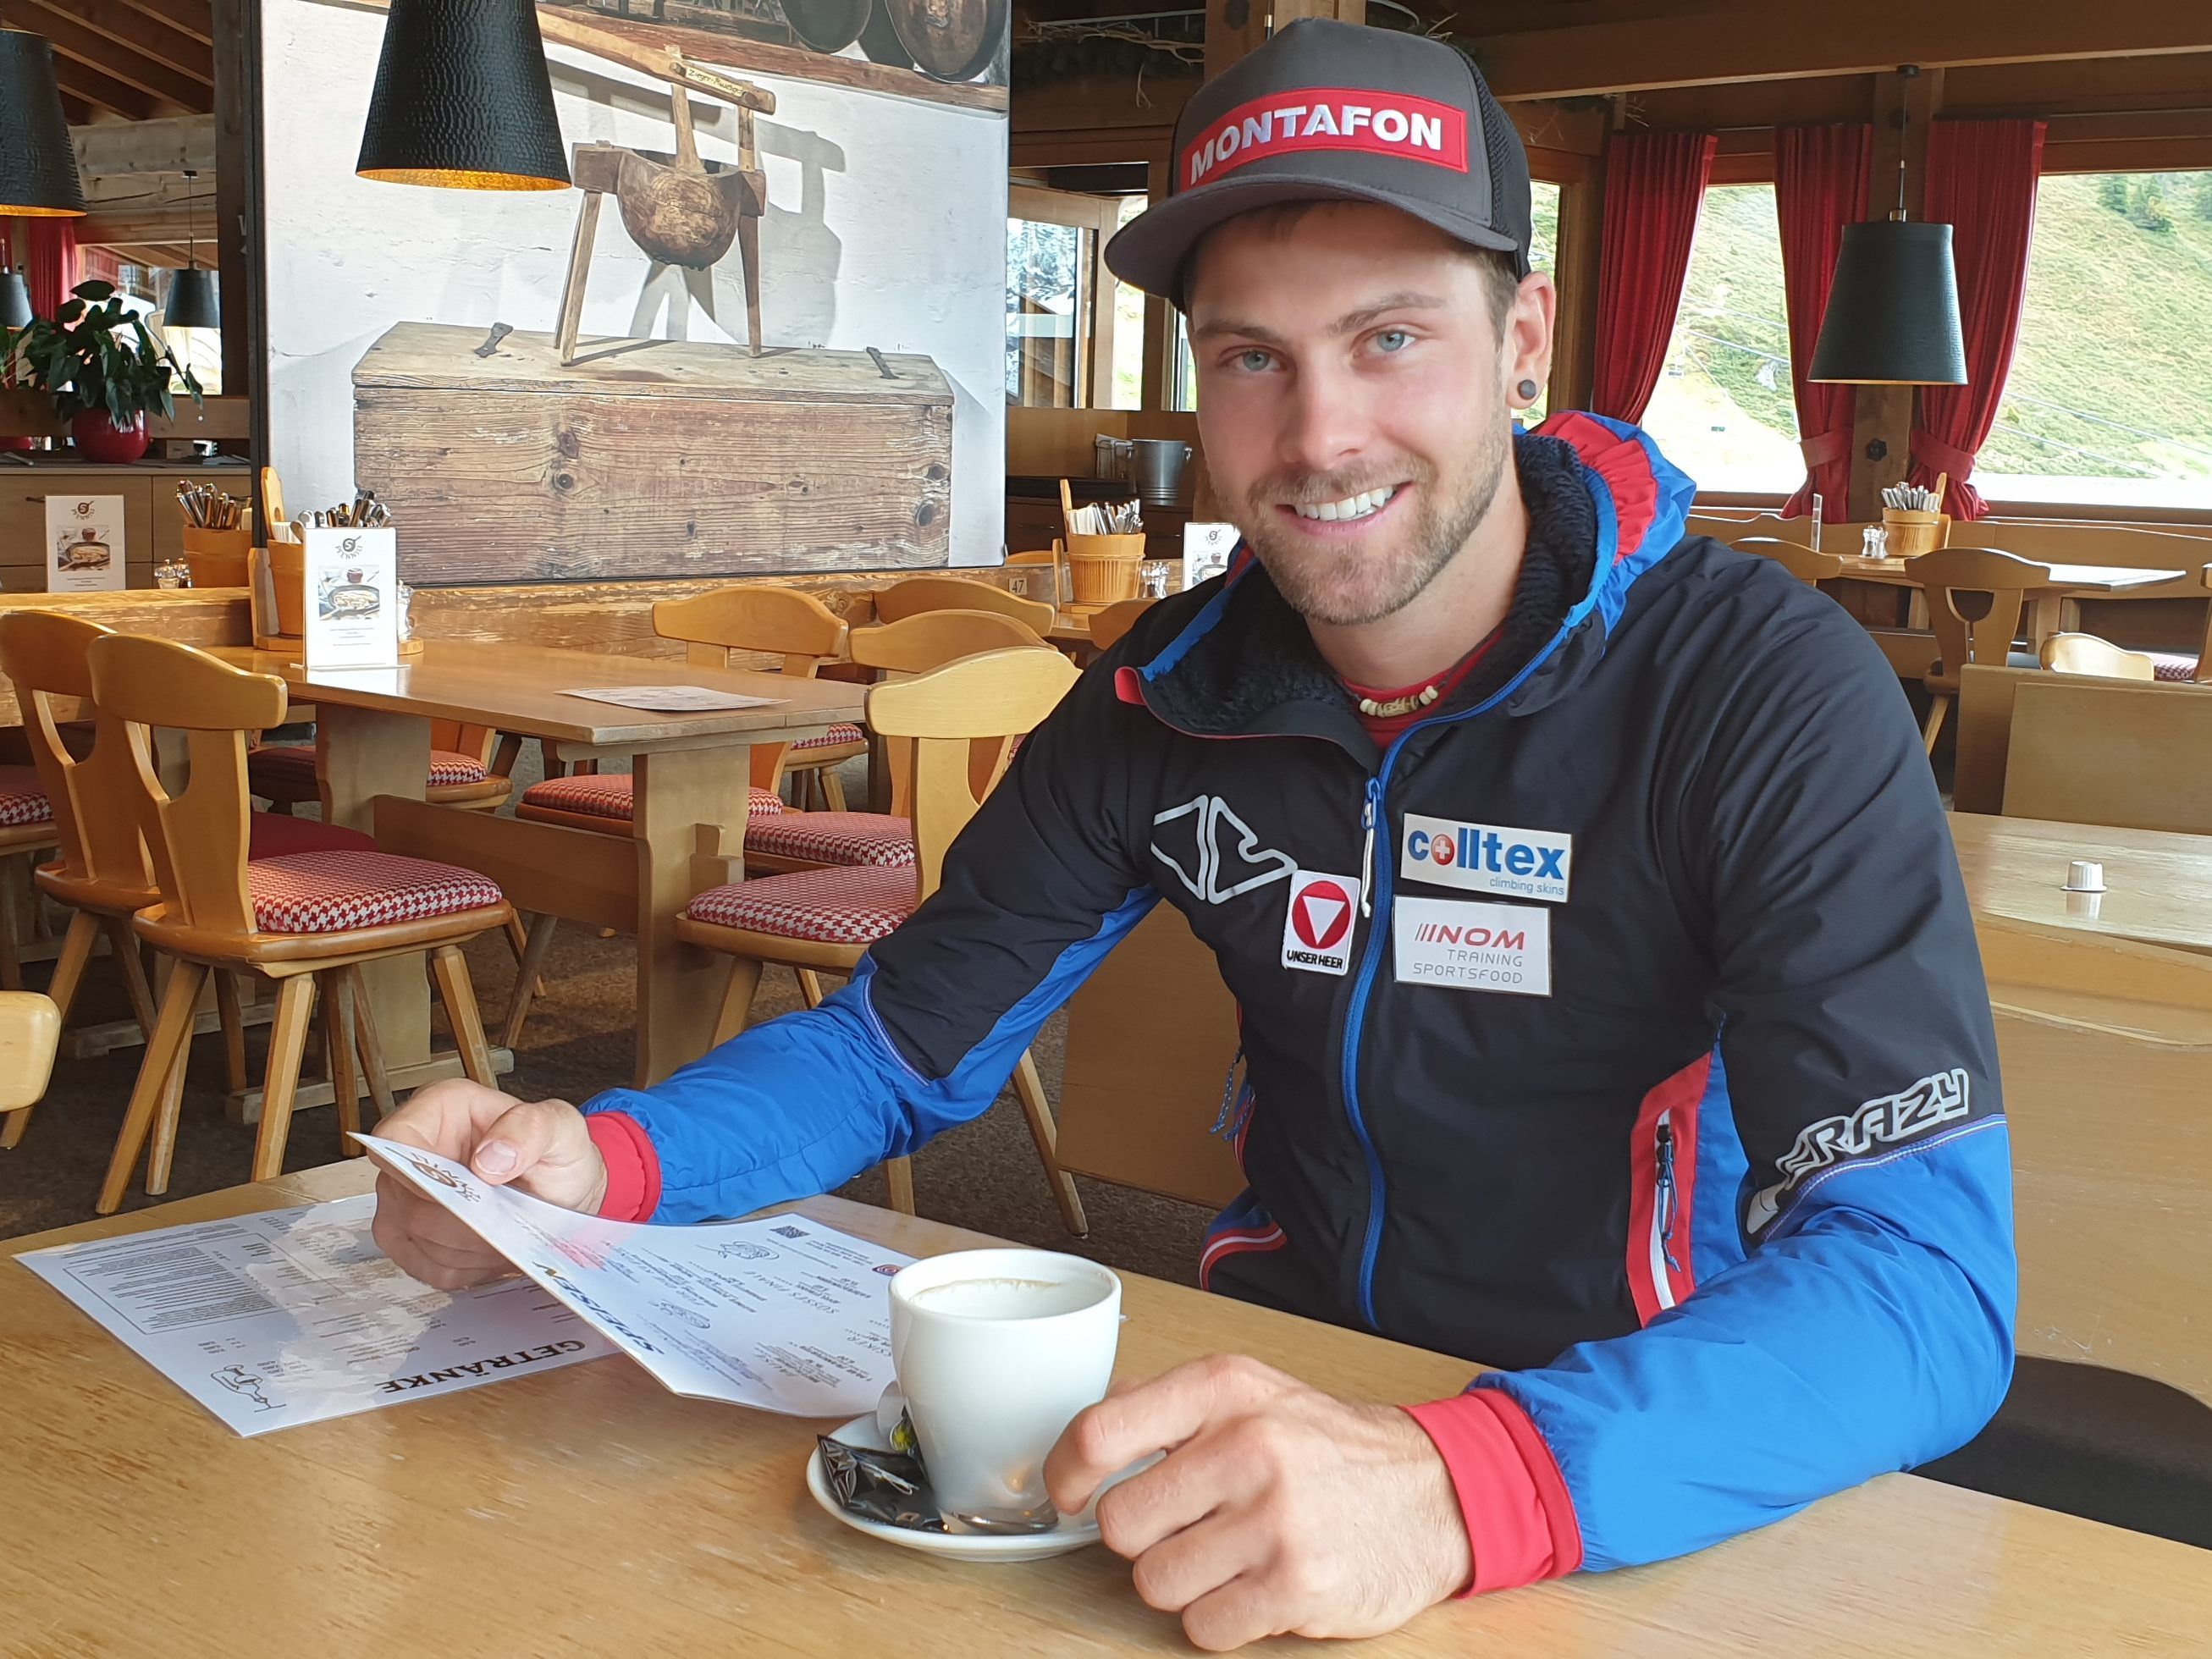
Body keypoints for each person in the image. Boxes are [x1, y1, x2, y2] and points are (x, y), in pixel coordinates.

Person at [371, 20, 2014, 1651]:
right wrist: (599, 1163)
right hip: (1271, 1426)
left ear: (1522, 341)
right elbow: (895, 1044)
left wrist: (1460, 1482)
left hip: (1649, 1466)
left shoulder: (1756, 692)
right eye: (1249, 357)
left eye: (1387, 338)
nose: (1317, 436)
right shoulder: (1165, 696)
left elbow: (1922, 1286)